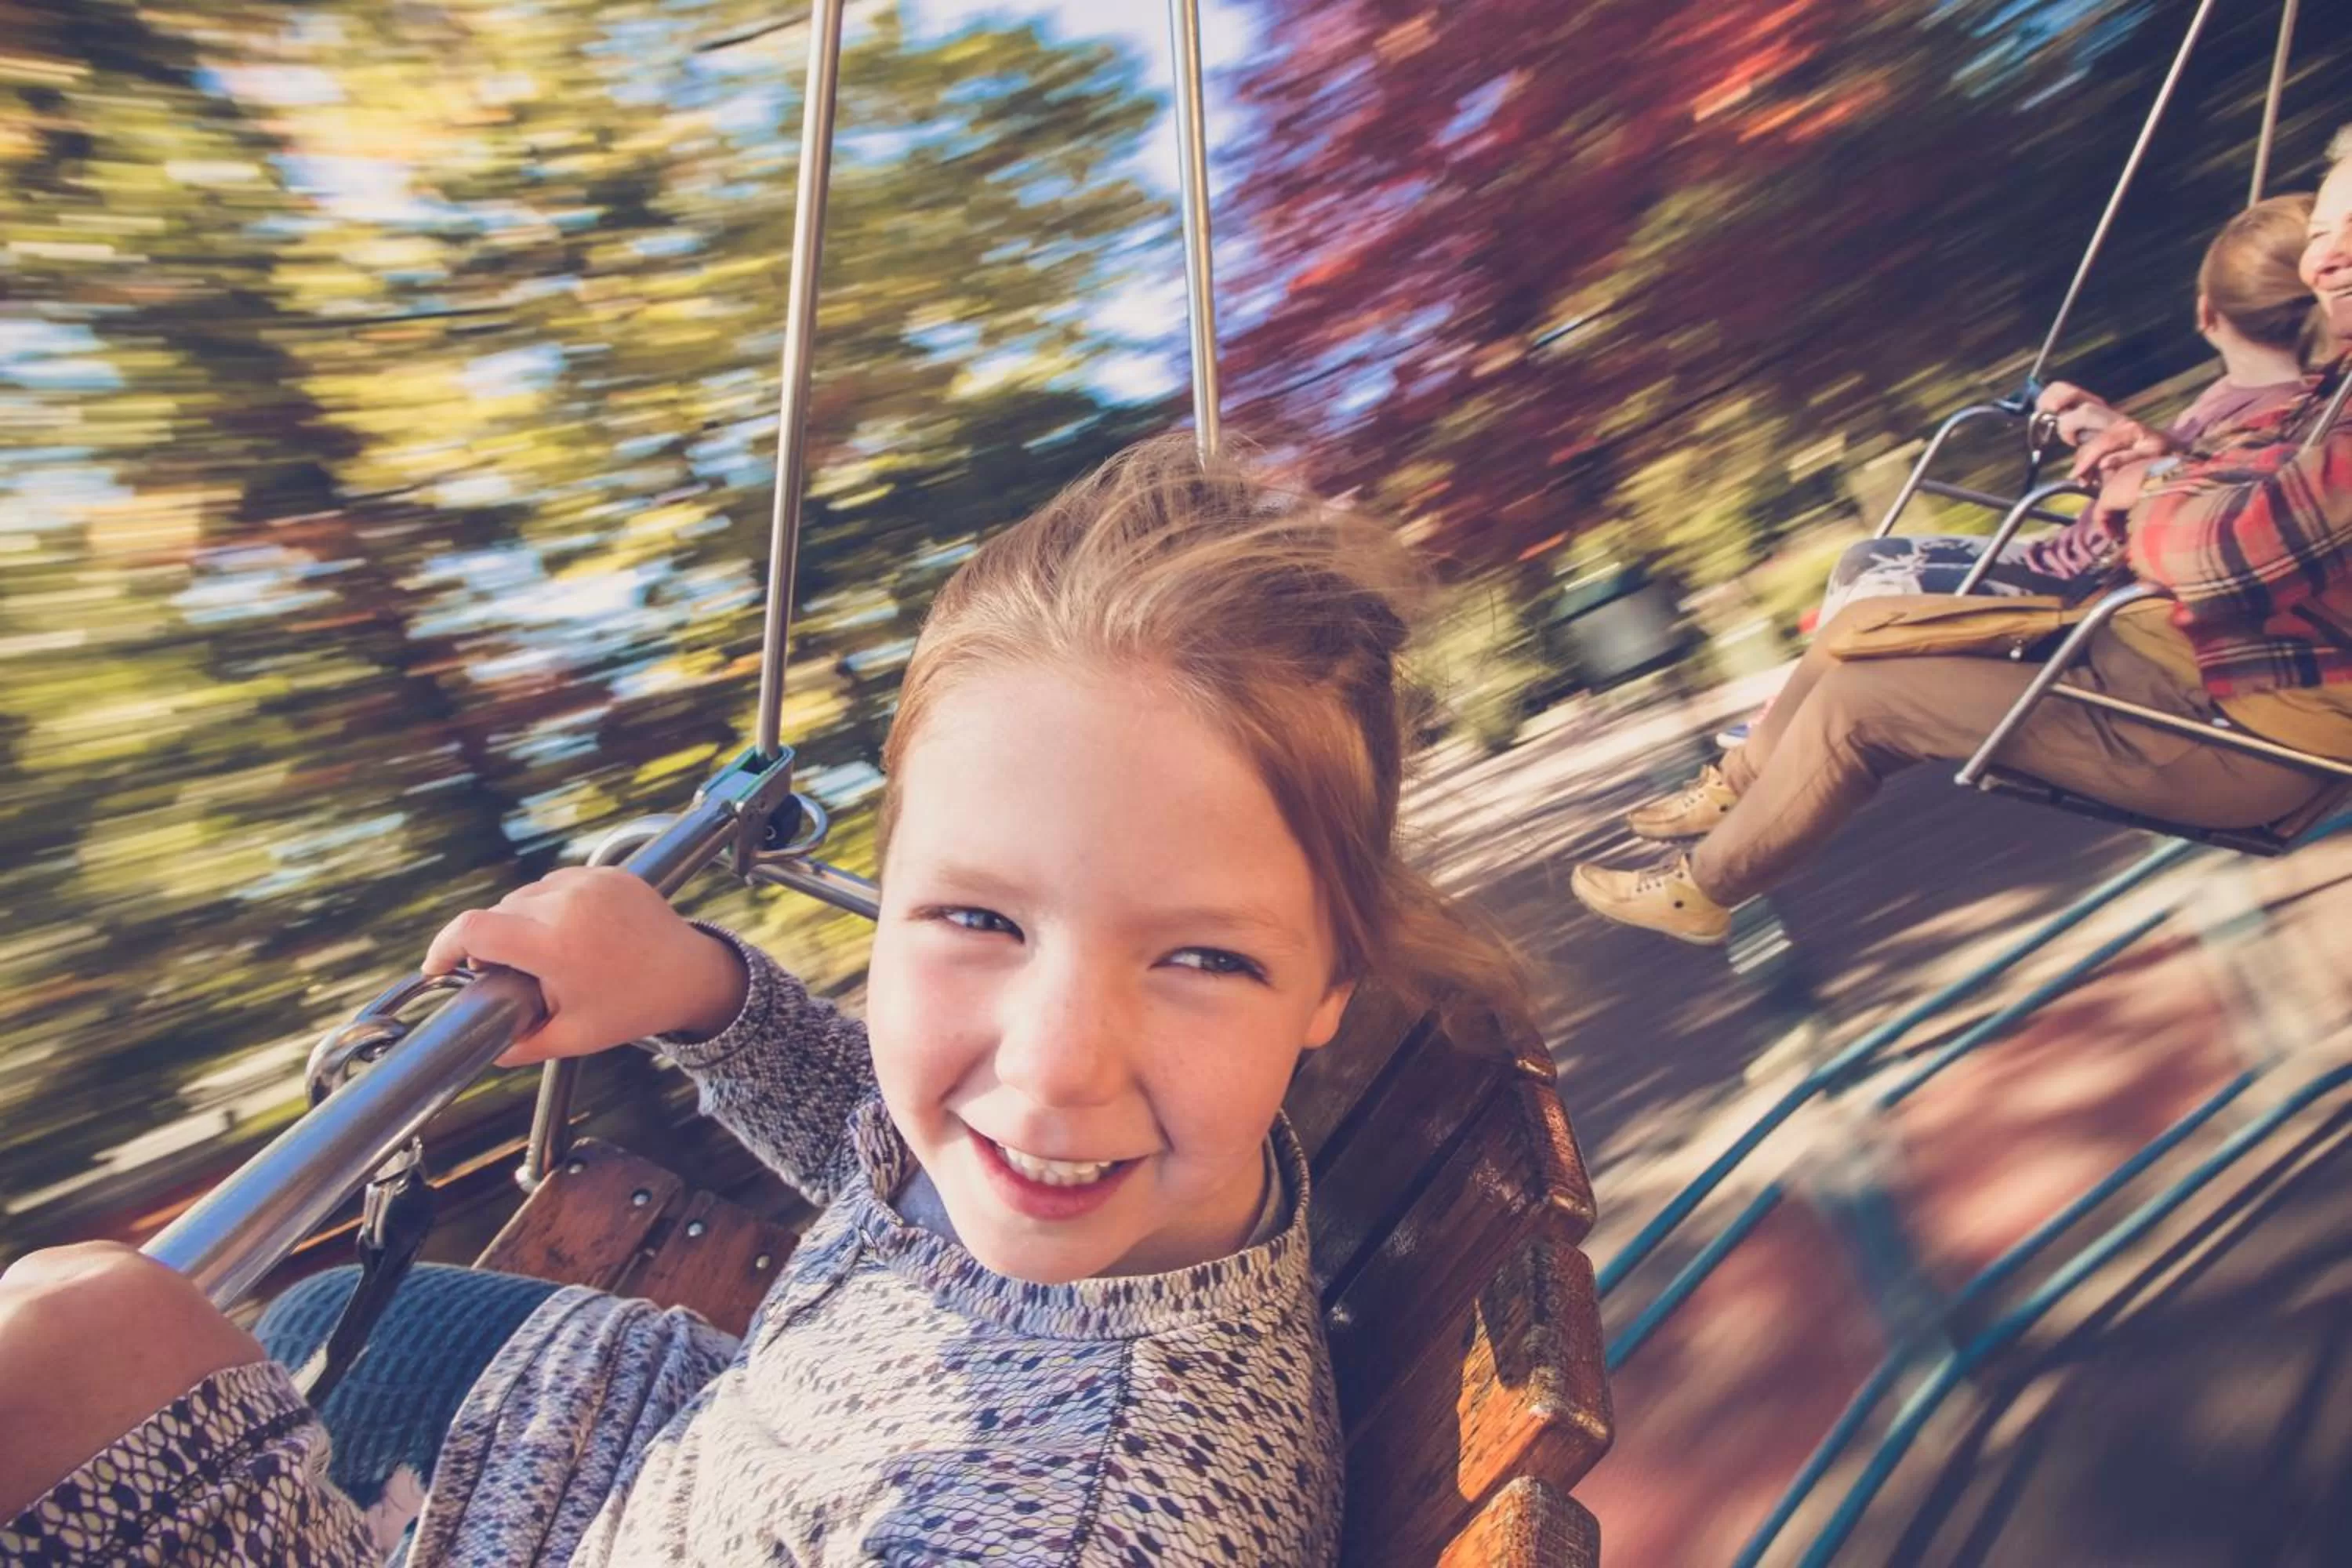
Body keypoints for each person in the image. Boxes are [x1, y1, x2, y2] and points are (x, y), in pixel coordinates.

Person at [0, 435, 1523, 1565]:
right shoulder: (1133, 1191)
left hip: (632, 1494)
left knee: (119, 1352)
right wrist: (701, 988)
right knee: (285, 1310)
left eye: (1202, 958)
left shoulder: (1078, 1521)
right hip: (664, 1451)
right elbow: (891, 1167)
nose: (1053, 1065)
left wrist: (192, 1512)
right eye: (977, 917)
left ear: (1332, 982)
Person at [1573, 129, 2352, 945]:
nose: (2324, 259)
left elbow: (2223, 551)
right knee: (1860, 627)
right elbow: (2227, 490)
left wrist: (2149, 486)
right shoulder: (2321, 396)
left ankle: (1700, 888)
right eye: (2322, 235)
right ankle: (1736, 781)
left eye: (2348, 238)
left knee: (1863, 705)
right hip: (2159, 657)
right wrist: (2155, 463)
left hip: (2244, 734)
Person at [1710, 194, 2322, 755]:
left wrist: (2140, 461)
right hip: (2066, 554)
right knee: (1867, 559)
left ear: (2206, 313)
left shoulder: (2287, 408)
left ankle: (1786, 729)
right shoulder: (2248, 396)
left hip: (2084, 580)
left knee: (1881, 587)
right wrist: (2109, 425)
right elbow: (2184, 458)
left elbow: (2206, 488)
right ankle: (1790, 711)